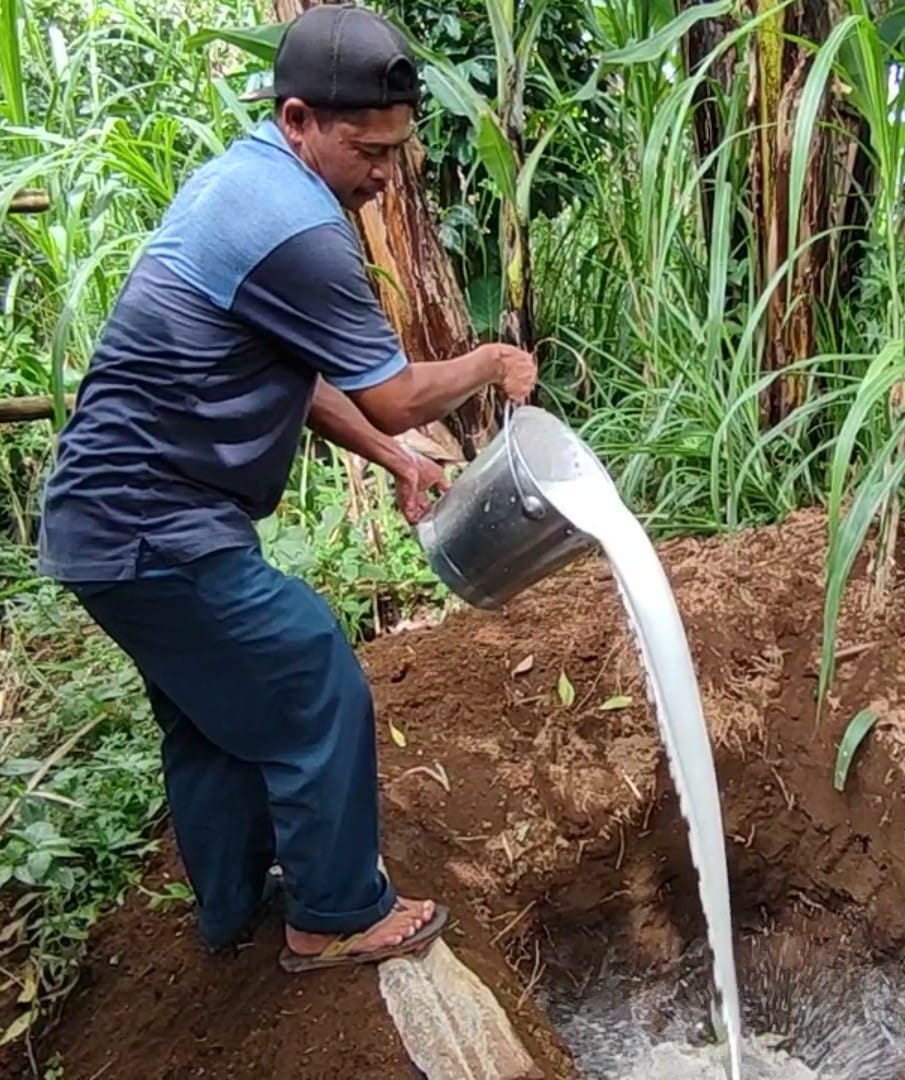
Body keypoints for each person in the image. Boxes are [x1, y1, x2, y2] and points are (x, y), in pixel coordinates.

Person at [35, 4, 534, 972]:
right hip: (149, 521)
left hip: (112, 518)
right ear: (299, 117)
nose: (385, 174)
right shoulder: (299, 225)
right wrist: (489, 361)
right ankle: (336, 915)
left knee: (215, 716)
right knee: (311, 673)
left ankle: (233, 905)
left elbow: (296, 375)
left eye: (397, 150)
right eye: (368, 149)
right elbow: (390, 394)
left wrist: (396, 462)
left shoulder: (243, 183)